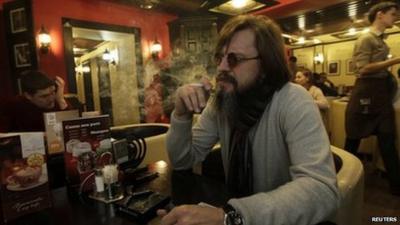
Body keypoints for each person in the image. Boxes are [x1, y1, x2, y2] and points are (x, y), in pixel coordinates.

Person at [158, 15, 338, 225]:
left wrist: (231, 216)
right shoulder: (222, 100)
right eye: (220, 58)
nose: (222, 68)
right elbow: (183, 161)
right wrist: (181, 115)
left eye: (234, 59)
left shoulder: (293, 99)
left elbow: (321, 189)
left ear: (266, 64)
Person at [345, 1, 400, 195]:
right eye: (393, 14)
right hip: (366, 93)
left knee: (387, 138)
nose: (395, 17)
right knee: (353, 138)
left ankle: (396, 186)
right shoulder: (366, 38)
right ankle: (343, 183)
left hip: (380, 93)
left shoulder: (381, 40)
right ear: (380, 14)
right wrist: (394, 61)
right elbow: (362, 69)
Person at [0, 70, 69, 132]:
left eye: (53, 92)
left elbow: (73, 129)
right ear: (28, 96)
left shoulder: (58, 100)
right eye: (44, 96)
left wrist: (61, 100)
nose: (51, 99)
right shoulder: (14, 107)